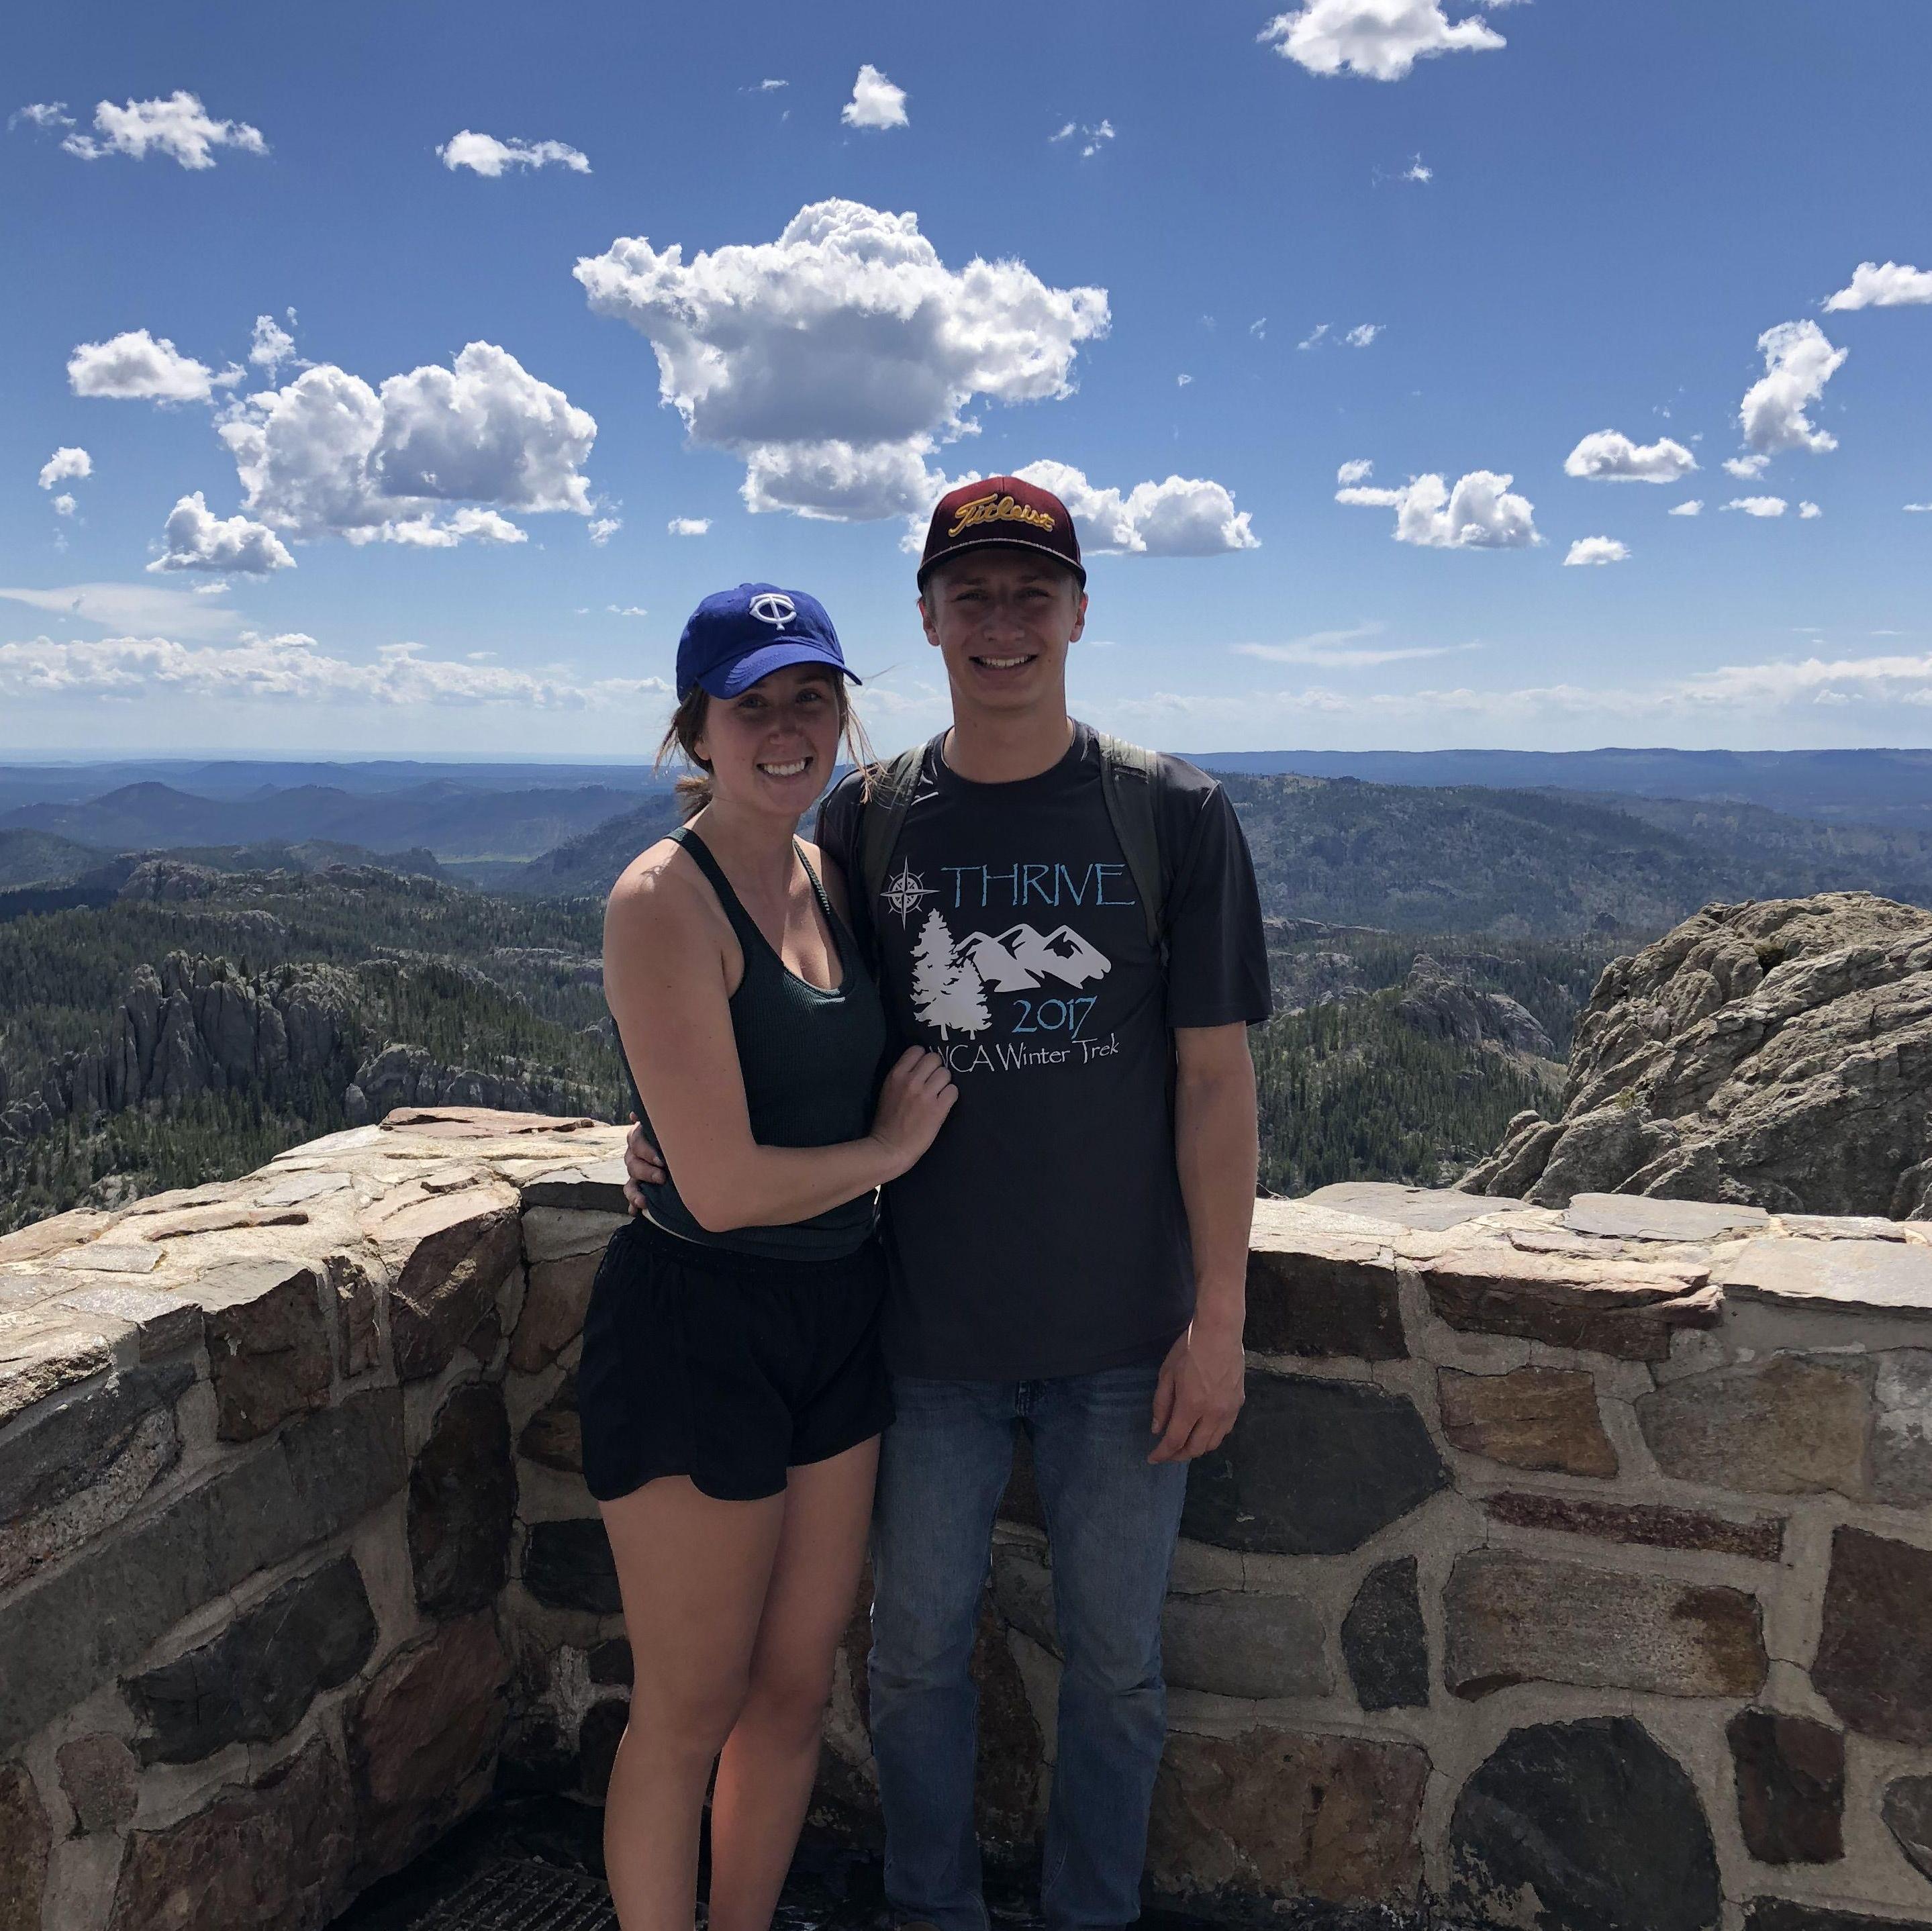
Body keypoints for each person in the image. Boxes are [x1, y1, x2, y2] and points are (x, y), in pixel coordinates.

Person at [626, 478, 1272, 1931]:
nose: (1000, 624)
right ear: (924, 618)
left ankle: (1089, 1913)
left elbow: (1215, 1082)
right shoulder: (866, 817)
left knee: (1116, 1667)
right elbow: (772, 991)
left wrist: (1215, 1319)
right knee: (909, 1660)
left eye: (1028, 594)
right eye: (968, 595)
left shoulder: (1170, 813)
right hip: (916, 1337)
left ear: (1080, 614)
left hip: (1125, 1334)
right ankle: (931, 1912)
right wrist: (660, 1124)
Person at [581, 582, 958, 1931]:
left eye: (811, 696)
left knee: (797, 1682)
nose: (786, 727)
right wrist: (886, 1155)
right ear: (696, 726)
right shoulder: (659, 901)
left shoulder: (825, 870)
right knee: (689, 1704)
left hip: (835, 1308)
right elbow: (726, 1184)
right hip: (698, 1320)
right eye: (753, 704)